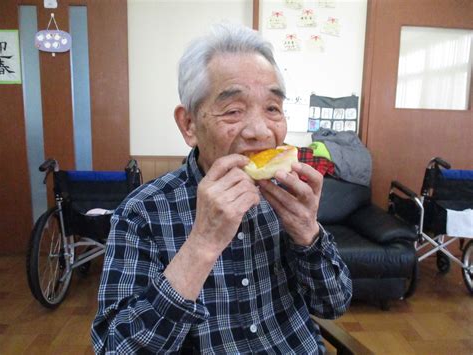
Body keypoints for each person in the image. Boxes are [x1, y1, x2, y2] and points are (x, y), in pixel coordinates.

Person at [91, 23, 352, 354]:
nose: (260, 131)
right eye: (233, 110)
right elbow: (116, 348)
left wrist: (307, 234)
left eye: (272, 108)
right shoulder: (142, 212)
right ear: (189, 125)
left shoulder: (287, 196)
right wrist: (202, 244)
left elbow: (335, 304)